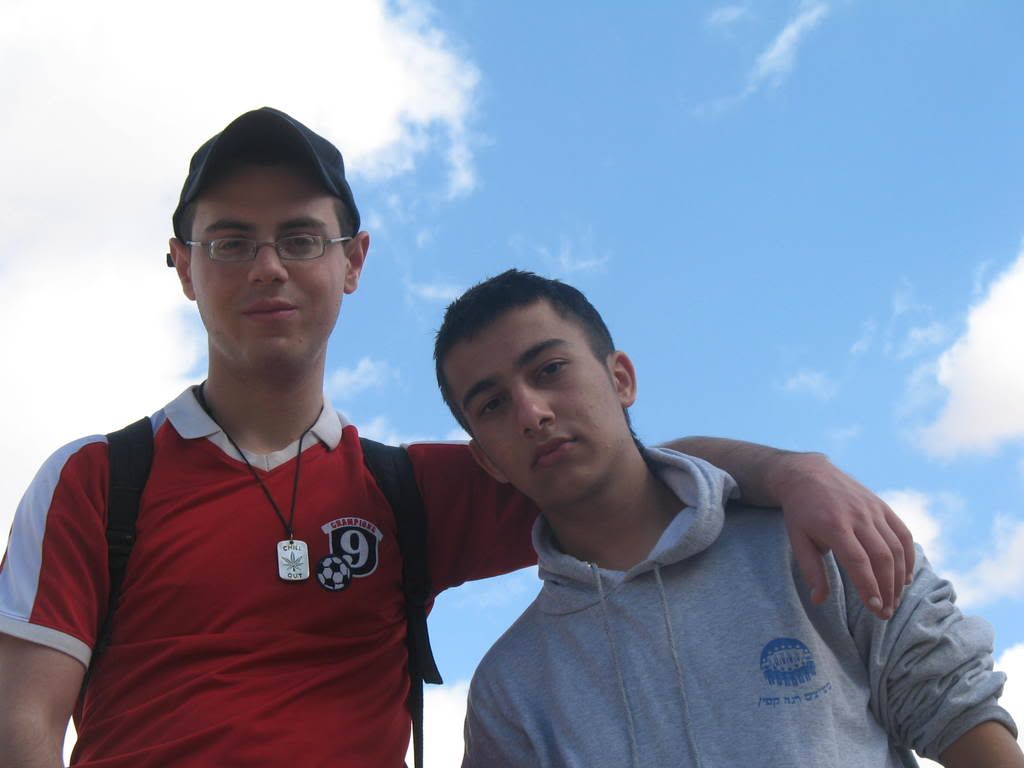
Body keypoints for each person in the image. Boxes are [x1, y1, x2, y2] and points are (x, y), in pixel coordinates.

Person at [0, 108, 913, 768]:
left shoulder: (416, 493)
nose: (268, 266)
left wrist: (793, 471)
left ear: (353, 261)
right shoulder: (97, 481)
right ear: (182, 267)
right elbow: (23, 723)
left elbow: (621, 463)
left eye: (301, 238)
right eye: (230, 242)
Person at [434, 269, 1023, 768]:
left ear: (621, 379)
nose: (531, 413)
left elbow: (958, 714)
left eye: (550, 369)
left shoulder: (819, 538)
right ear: (488, 461)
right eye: (493, 404)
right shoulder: (509, 692)